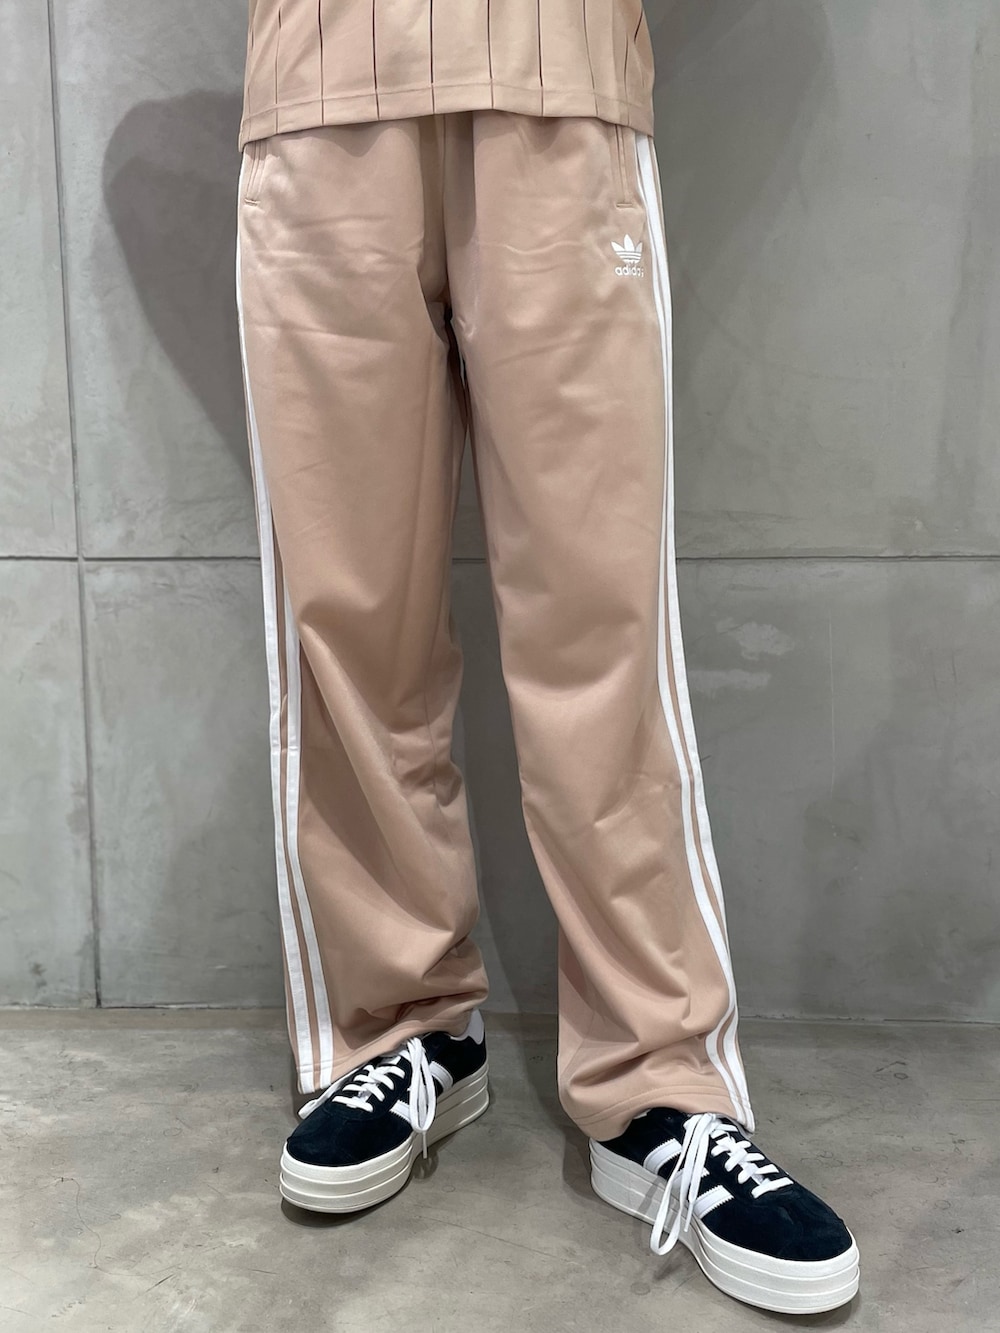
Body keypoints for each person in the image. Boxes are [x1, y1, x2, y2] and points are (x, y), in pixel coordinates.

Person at [234, 0, 859, 1315]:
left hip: (559, 87)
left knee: (601, 626)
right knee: (349, 629)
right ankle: (402, 1030)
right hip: (318, 96)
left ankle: (658, 1083)